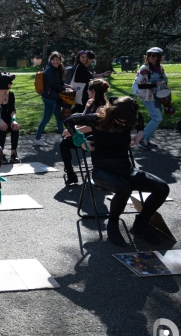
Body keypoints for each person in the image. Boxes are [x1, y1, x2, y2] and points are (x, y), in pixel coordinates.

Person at [63, 97, 169, 247]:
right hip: (102, 171)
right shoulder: (97, 119)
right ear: (112, 113)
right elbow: (69, 121)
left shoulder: (130, 117)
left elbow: (139, 117)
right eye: (121, 121)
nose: (124, 124)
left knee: (162, 187)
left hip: (125, 169)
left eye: (127, 123)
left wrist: (140, 133)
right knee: (124, 188)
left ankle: (141, 223)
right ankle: (113, 225)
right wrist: (80, 140)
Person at [60, 79, 110, 185]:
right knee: (64, 143)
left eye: (88, 89)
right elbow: (82, 119)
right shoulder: (89, 102)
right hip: (84, 133)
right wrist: (72, 132)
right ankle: (70, 173)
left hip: (97, 135)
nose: (87, 91)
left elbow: (92, 127)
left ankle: (98, 177)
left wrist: (75, 131)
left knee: (92, 140)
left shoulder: (102, 107)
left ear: (93, 91)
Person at [133, 47, 169, 151]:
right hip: (148, 97)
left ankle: (146, 141)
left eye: (154, 55)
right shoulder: (145, 68)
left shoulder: (160, 68)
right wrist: (155, 84)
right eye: (149, 55)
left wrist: (165, 84)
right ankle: (142, 139)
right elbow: (139, 85)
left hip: (157, 96)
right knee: (157, 118)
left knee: (157, 117)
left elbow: (164, 79)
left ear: (159, 57)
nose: (151, 57)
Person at [35, 52, 67, 146]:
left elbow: (59, 83)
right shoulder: (50, 70)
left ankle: (64, 136)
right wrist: (64, 89)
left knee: (59, 117)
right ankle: (37, 138)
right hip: (49, 97)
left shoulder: (57, 69)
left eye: (57, 59)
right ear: (50, 60)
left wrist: (67, 86)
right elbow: (53, 84)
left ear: (60, 60)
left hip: (55, 97)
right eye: (53, 59)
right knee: (46, 119)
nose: (55, 61)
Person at [0, 74, 20, 164]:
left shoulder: (11, 94)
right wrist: (0, 121)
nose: (11, 84)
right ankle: (0, 153)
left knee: (15, 128)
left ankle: (13, 153)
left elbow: (12, 110)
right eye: (10, 83)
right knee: (2, 129)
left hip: (8, 119)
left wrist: (14, 120)